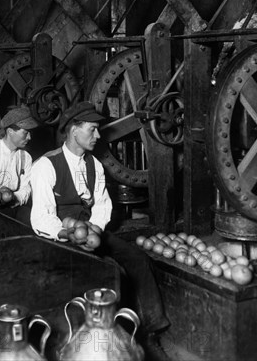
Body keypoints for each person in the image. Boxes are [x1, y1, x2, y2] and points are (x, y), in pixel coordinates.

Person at [29, 101, 171, 361]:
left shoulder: (95, 164)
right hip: (60, 235)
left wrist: (95, 228)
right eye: (92, 130)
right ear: (73, 131)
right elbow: (41, 216)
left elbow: (103, 205)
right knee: (105, 271)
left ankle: (151, 332)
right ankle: (93, 341)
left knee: (138, 260)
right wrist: (67, 233)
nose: (98, 135)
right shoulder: (45, 166)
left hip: (91, 230)